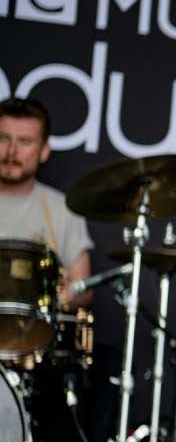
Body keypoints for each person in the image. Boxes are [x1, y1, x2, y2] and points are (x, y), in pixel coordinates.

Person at [0, 97, 94, 308]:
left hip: (33, 334)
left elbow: (83, 288)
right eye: (4, 138)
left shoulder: (63, 208)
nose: (12, 152)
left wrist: (62, 296)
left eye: (25, 141)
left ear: (44, 151)